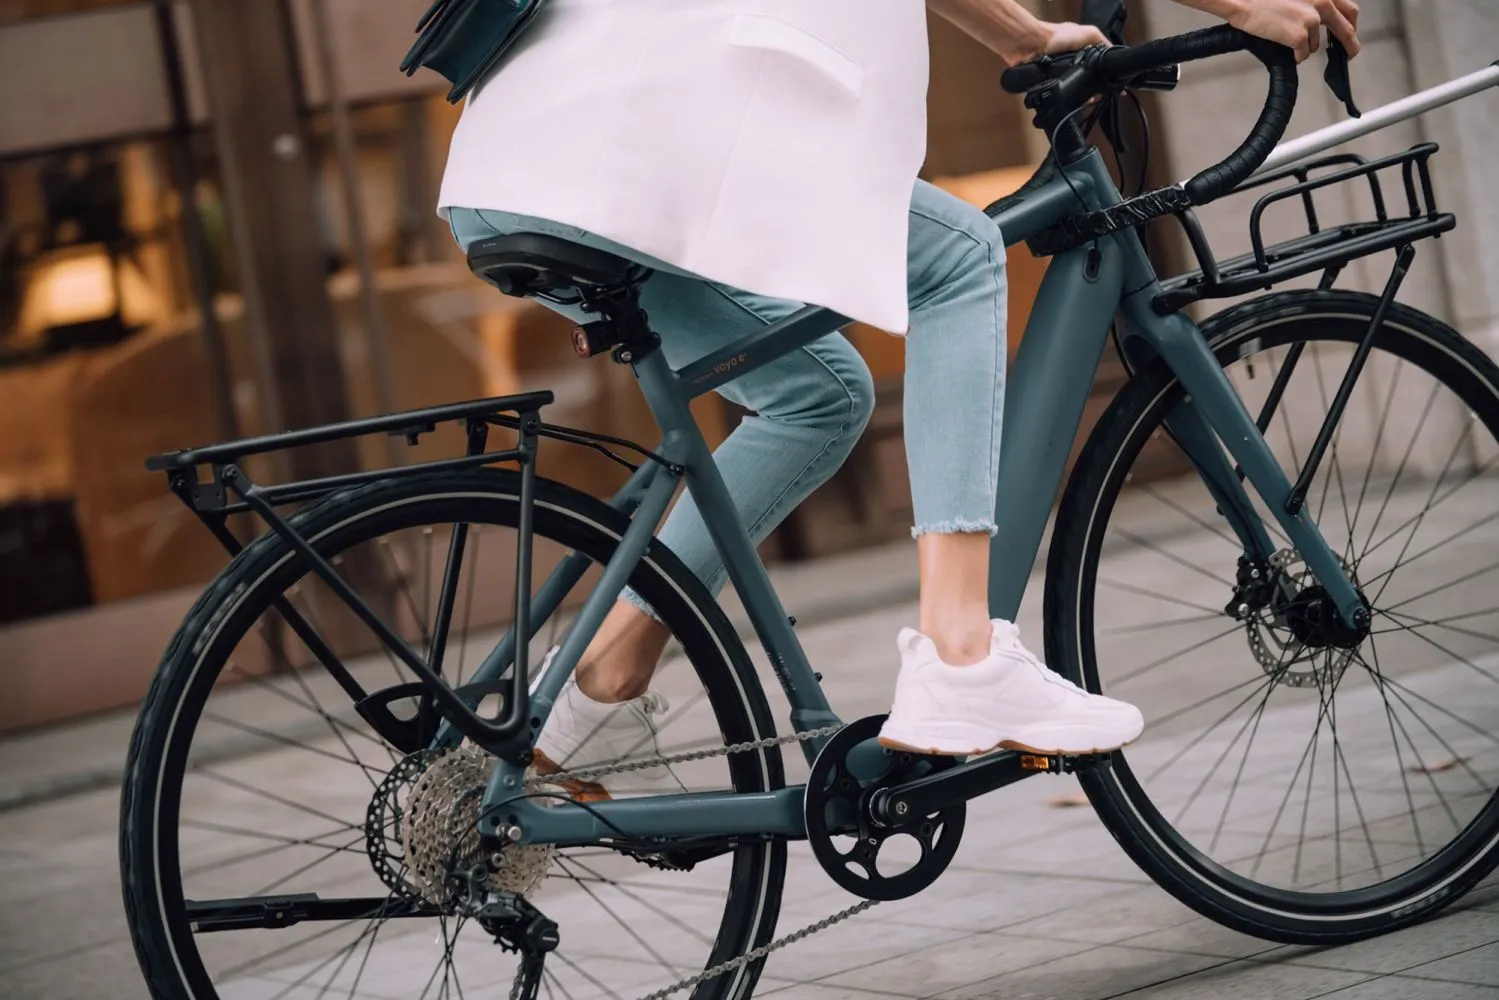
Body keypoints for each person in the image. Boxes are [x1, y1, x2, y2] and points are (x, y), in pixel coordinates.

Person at [440, 0, 1361, 793]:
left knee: (819, 396)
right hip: (647, 137)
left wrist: (1018, 34)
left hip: (517, 168)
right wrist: (1243, 7)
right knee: (959, 259)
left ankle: (606, 667)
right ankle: (961, 653)